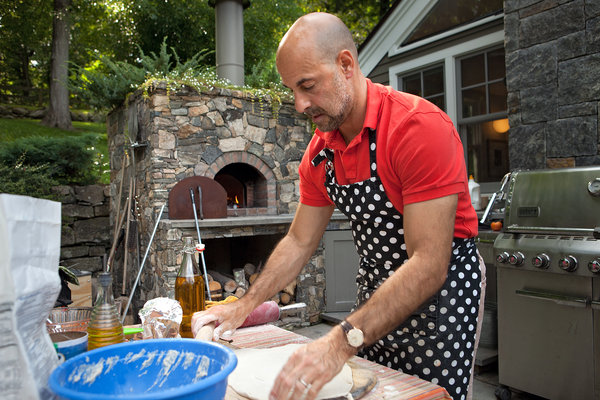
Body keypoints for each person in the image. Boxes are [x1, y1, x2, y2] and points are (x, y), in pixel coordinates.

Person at [192, 12, 485, 400]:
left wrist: (338, 341)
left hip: (440, 301)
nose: (299, 104)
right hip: (375, 299)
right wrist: (243, 305)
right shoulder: (320, 153)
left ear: (346, 65)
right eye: (291, 90)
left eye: (307, 85)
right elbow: (298, 241)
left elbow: (429, 263)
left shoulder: (418, 128)